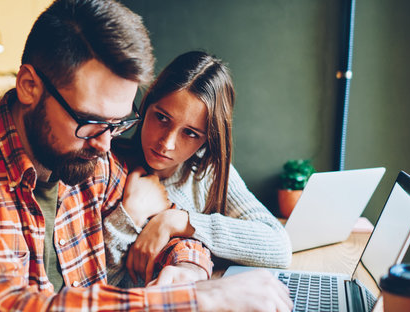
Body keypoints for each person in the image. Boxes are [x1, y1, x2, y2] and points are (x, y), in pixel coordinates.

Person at [0, 1, 292, 312]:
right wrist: (199, 299)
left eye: (120, 123)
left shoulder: (90, 159)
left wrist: (182, 266)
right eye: (91, 121)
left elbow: (180, 240)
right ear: (29, 85)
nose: (107, 145)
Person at [104, 51, 292, 286]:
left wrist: (177, 221)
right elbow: (84, 286)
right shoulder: (106, 166)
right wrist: (128, 217)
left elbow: (278, 246)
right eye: (162, 118)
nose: (167, 143)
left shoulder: (205, 170)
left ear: (207, 140)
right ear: (147, 103)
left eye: (190, 133)